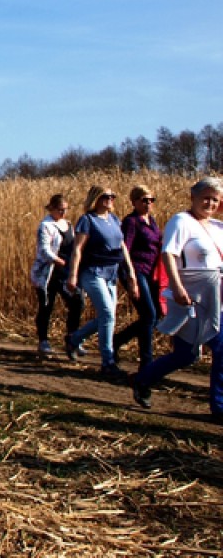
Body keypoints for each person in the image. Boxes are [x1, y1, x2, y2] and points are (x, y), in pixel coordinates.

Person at [131, 177, 223, 415]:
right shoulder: (181, 222)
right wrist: (177, 286)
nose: (210, 203)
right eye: (206, 198)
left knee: (189, 354)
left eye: (216, 199)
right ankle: (219, 407)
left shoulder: (218, 227)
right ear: (193, 197)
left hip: (216, 299)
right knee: (190, 354)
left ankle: (143, 378)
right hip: (192, 298)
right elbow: (168, 254)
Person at [65, 184, 140, 379]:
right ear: (95, 198)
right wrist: (73, 275)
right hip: (93, 272)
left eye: (112, 196)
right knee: (107, 313)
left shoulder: (114, 220)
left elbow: (122, 246)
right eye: (105, 196)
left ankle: (74, 339)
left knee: (107, 317)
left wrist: (130, 272)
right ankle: (108, 361)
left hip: (111, 273)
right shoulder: (87, 220)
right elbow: (78, 249)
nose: (110, 199)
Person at [112, 185, 162, 369]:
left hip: (151, 273)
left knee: (155, 316)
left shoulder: (152, 221)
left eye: (151, 200)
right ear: (134, 202)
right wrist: (131, 278)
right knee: (148, 315)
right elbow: (125, 249)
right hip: (136, 271)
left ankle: (117, 340)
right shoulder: (131, 222)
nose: (148, 203)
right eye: (144, 200)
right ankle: (146, 363)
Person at [30, 194, 84, 356]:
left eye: (65, 209)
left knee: (77, 302)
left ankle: (73, 338)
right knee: (47, 306)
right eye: (60, 210)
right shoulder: (45, 226)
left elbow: (74, 246)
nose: (63, 213)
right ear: (51, 208)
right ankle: (43, 341)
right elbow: (44, 249)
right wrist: (57, 260)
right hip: (48, 273)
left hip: (66, 273)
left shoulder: (68, 225)